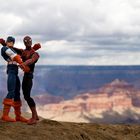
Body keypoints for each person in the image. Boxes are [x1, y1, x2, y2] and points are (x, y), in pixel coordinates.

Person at [0, 36, 29, 122]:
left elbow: (22, 54)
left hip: (15, 71)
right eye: (9, 41)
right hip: (11, 70)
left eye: (12, 42)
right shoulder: (4, 48)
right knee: (11, 91)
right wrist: (22, 64)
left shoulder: (13, 49)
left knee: (17, 93)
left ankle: (18, 116)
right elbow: (14, 56)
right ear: (7, 42)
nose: (11, 43)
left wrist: (33, 49)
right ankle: (5, 115)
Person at [13, 36, 40, 125]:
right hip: (26, 75)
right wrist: (5, 44)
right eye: (26, 41)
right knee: (26, 95)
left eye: (29, 41)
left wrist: (24, 63)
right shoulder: (23, 52)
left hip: (29, 76)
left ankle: (34, 117)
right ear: (24, 43)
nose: (27, 42)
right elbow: (15, 49)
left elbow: (31, 60)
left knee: (27, 96)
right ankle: (35, 116)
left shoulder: (35, 54)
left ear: (31, 42)